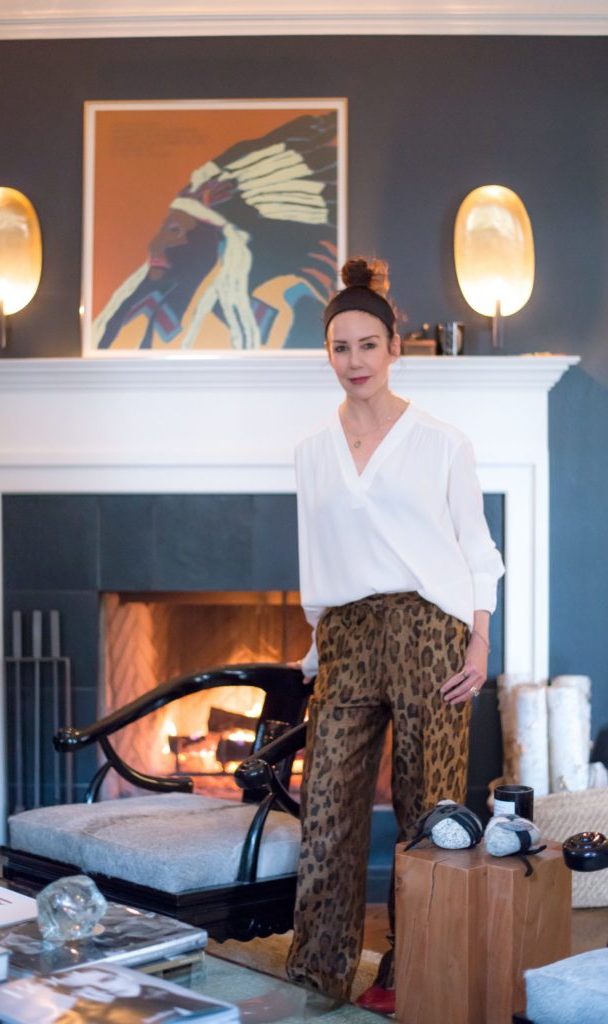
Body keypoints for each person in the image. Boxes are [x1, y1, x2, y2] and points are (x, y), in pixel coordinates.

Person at [285, 256, 505, 1013]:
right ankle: (316, 974)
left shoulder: (441, 442)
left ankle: (412, 969)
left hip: (429, 632)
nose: (355, 361)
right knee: (325, 815)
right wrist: (316, 647)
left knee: (428, 816)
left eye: (368, 345)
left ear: (393, 348)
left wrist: (479, 642)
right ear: (328, 353)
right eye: (340, 347)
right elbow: (316, 557)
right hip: (346, 636)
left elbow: (477, 549)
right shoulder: (311, 451)